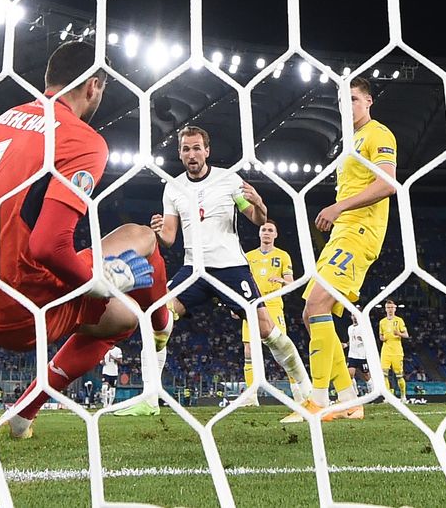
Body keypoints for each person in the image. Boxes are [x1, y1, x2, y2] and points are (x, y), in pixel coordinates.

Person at [0, 41, 171, 440]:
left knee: (140, 235)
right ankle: (161, 326)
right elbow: (49, 245)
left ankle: (161, 324)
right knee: (124, 318)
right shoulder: (83, 141)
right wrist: (104, 282)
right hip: (18, 307)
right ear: (94, 86)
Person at [116, 126, 312, 416]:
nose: (192, 154)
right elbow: (169, 237)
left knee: (267, 329)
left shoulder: (228, 180)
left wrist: (259, 203)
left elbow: (258, 219)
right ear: (180, 153)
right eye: (186, 149)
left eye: (197, 148)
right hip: (193, 270)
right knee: (158, 318)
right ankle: (149, 398)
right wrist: (158, 231)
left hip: (231, 267)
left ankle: (305, 393)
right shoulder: (173, 187)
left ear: (207, 151)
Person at [286, 77, 397, 423]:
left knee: (316, 304)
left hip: (360, 232)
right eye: (341, 100)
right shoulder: (350, 143)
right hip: (343, 234)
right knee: (310, 313)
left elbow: (388, 183)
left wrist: (339, 208)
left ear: (368, 102)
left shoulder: (379, 134)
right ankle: (348, 399)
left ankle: (318, 401)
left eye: (353, 99)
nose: (346, 105)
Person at [241, 220, 295, 405]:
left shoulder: (283, 256)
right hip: (251, 305)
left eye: (270, 230)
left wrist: (280, 279)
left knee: (283, 349)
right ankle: (250, 397)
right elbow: (240, 282)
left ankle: (299, 393)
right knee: (249, 350)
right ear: (259, 233)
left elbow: (291, 283)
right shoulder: (248, 257)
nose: (266, 232)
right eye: (263, 229)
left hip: (272, 305)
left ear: (275, 235)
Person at [345, 311, 369, 394]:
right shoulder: (349, 328)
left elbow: (370, 340)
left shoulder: (364, 328)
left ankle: (371, 392)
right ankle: (355, 393)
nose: (354, 317)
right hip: (352, 355)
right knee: (349, 375)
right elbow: (351, 340)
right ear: (351, 317)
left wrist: (363, 340)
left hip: (362, 356)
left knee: (367, 377)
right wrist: (346, 345)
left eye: (356, 316)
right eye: (353, 315)